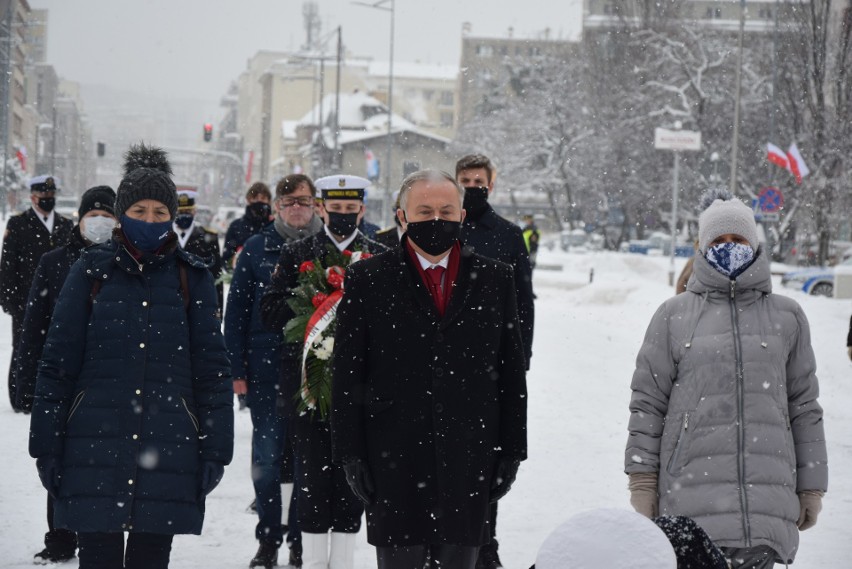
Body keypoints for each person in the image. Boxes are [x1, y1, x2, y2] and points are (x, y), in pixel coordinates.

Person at [28, 144, 234, 569]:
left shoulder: (190, 278)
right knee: (98, 557)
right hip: (92, 445)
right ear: (122, 213)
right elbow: (57, 365)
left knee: (150, 558)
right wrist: (44, 445)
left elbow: (213, 371)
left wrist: (216, 449)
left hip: (169, 443)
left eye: (160, 212)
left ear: (172, 217)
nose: (149, 220)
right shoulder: (90, 272)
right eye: (139, 210)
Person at [330, 169, 527, 569]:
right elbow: (347, 374)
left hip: (469, 455)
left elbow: (511, 373)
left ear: (462, 216)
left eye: (446, 210)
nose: (436, 219)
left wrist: (512, 451)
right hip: (393, 456)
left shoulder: (495, 279)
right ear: (401, 217)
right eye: (424, 210)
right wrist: (350, 454)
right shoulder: (368, 279)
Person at [625, 189, 828, 568]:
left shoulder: (788, 317)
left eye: (738, 240)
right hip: (690, 506)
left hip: (765, 509)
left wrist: (812, 486)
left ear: (754, 245)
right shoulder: (673, 316)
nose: (729, 247)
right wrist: (642, 482)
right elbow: (647, 405)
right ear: (702, 246)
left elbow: (804, 407)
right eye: (719, 240)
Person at [261, 174, 388, 569]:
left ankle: (344, 563)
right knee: (313, 477)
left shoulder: (379, 254)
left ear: (362, 210)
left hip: (362, 388)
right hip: (307, 387)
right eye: (336, 209)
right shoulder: (297, 252)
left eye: (351, 210)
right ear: (322, 208)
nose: (344, 215)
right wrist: (312, 302)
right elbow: (269, 313)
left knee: (354, 476)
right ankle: (313, 562)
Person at [225, 174, 323, 569]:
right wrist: (236, 369)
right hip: (266, 369)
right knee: (266, 460)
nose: (296, 207)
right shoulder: (255, 247)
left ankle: (300, 541)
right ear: (277, 208)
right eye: (288, 202)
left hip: (315, 371)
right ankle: (268, 539)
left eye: (303, 200)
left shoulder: (327, 247)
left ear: (315, 204)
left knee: (307, 461)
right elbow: (236, 315)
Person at [14, 185, 116, 564]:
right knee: (59, 461)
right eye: (94, 215)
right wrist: (26, 381)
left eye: (108, 216)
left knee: (99, 462)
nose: (100, 223)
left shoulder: (123, 261)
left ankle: (94, 533)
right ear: (81, 218)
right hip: (62, 376)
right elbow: (34, 325)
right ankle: (59, 536)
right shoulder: (55, 261)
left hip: (105, 378)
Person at [455, 154, 534, 569]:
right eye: (464, 180)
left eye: (478, 181)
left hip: (492, 364)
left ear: (491, 184)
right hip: (447, 362)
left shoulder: (507, 234)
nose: (472, 186)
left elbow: (523, 302)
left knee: (489, 459)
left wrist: (520, 359)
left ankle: (487, 544)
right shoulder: (441, 229)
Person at [0, 174, 73, 412]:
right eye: (43, 196)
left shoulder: (65, 225)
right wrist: (8, 299)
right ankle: (21, 396)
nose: (48, 199)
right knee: (23, 347)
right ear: (33, 197)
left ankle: (47, 393)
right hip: (25, 299)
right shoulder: (18, 224)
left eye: (51, 195)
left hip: (57, 298)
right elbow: (8, 265)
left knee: (52, 347)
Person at [174, 188, 224, 309]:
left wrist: (217, 310)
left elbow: (216, 276)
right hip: (171, 304)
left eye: (188, 211)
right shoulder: (165, 236)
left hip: (200, 305)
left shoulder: (209, 238)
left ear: (194, 212)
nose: (184, 215)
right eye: (180, 212)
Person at [223, 181, 273, 270]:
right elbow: (227, 257)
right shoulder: (236, 226)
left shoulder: (274, 226)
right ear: (248, 200)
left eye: (263, 198)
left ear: (269, 201)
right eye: (255, 198)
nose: (259, 201)